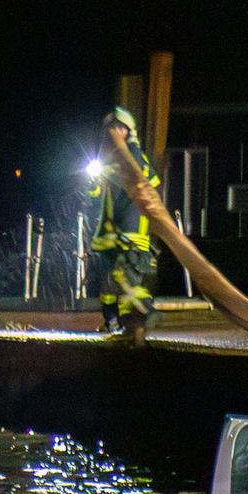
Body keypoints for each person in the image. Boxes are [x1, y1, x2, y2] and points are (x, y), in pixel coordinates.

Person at [86, 106, 160, 347]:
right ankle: (113, 325)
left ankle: (142, 323)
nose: (116, 132)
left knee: (127, 280)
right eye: (112, 128)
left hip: (131, 233)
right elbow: (95, 194)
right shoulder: (107, 158)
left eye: (120, 127)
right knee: (107, 284)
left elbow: (150, 182)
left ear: (129, 131)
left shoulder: (134, 154)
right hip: (109, 235)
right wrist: (94, 181)